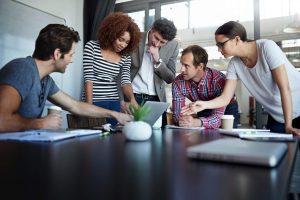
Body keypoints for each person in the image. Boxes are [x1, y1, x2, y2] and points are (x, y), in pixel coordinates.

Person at [0, 24, 132, 133]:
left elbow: (75, 106)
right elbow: (1, 120)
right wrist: (40, 123)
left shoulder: (46, 81)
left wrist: (115, 114)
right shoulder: (22, 69)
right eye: (71, 55)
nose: (71, 60)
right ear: (57, 54)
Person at [181, 21, 300, 135]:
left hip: (295, 107)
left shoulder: (267, 47)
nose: (219, 49)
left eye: (221, 44)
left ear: (237, 39)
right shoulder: (234, 64)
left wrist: (288, 126)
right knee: (281, 153)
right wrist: (204, 104)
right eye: (217, 45)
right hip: (277, 116)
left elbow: (285, 88)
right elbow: (225, 98)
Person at [82, 12, 141, 125]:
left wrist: (132, 100)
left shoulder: (125, 56)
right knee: (94, 137)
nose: (123, 45)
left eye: (127, 42)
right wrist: (89, 107)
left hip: (113, 102)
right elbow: (88, 79)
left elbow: (125, 81)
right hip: (94, 101)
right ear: (112, 34)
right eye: (121, 39)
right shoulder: (92, 47)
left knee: (112, 138)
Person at [128, 17, 179, 126]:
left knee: (160, 136)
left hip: (157, 99)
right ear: (152, 28)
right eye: (156, 38)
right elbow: (123, 70)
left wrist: (157, 60)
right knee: (134, 133)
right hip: (134, 96)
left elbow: (170, 78)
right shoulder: (135, 38)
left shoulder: (173, 45)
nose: (157, 44)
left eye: (162, 42)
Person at [172, 45, 239, 128]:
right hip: (201, 107)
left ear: (200, 66)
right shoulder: (178, 82)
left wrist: (195, 122)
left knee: (229, 138)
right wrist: (184, 121)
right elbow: (177, 115)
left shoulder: (219, 80)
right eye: (182, 64)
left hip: (227, 107)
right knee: (203, 137)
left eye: (186, 66)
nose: (181, 70)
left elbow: (217, 119)